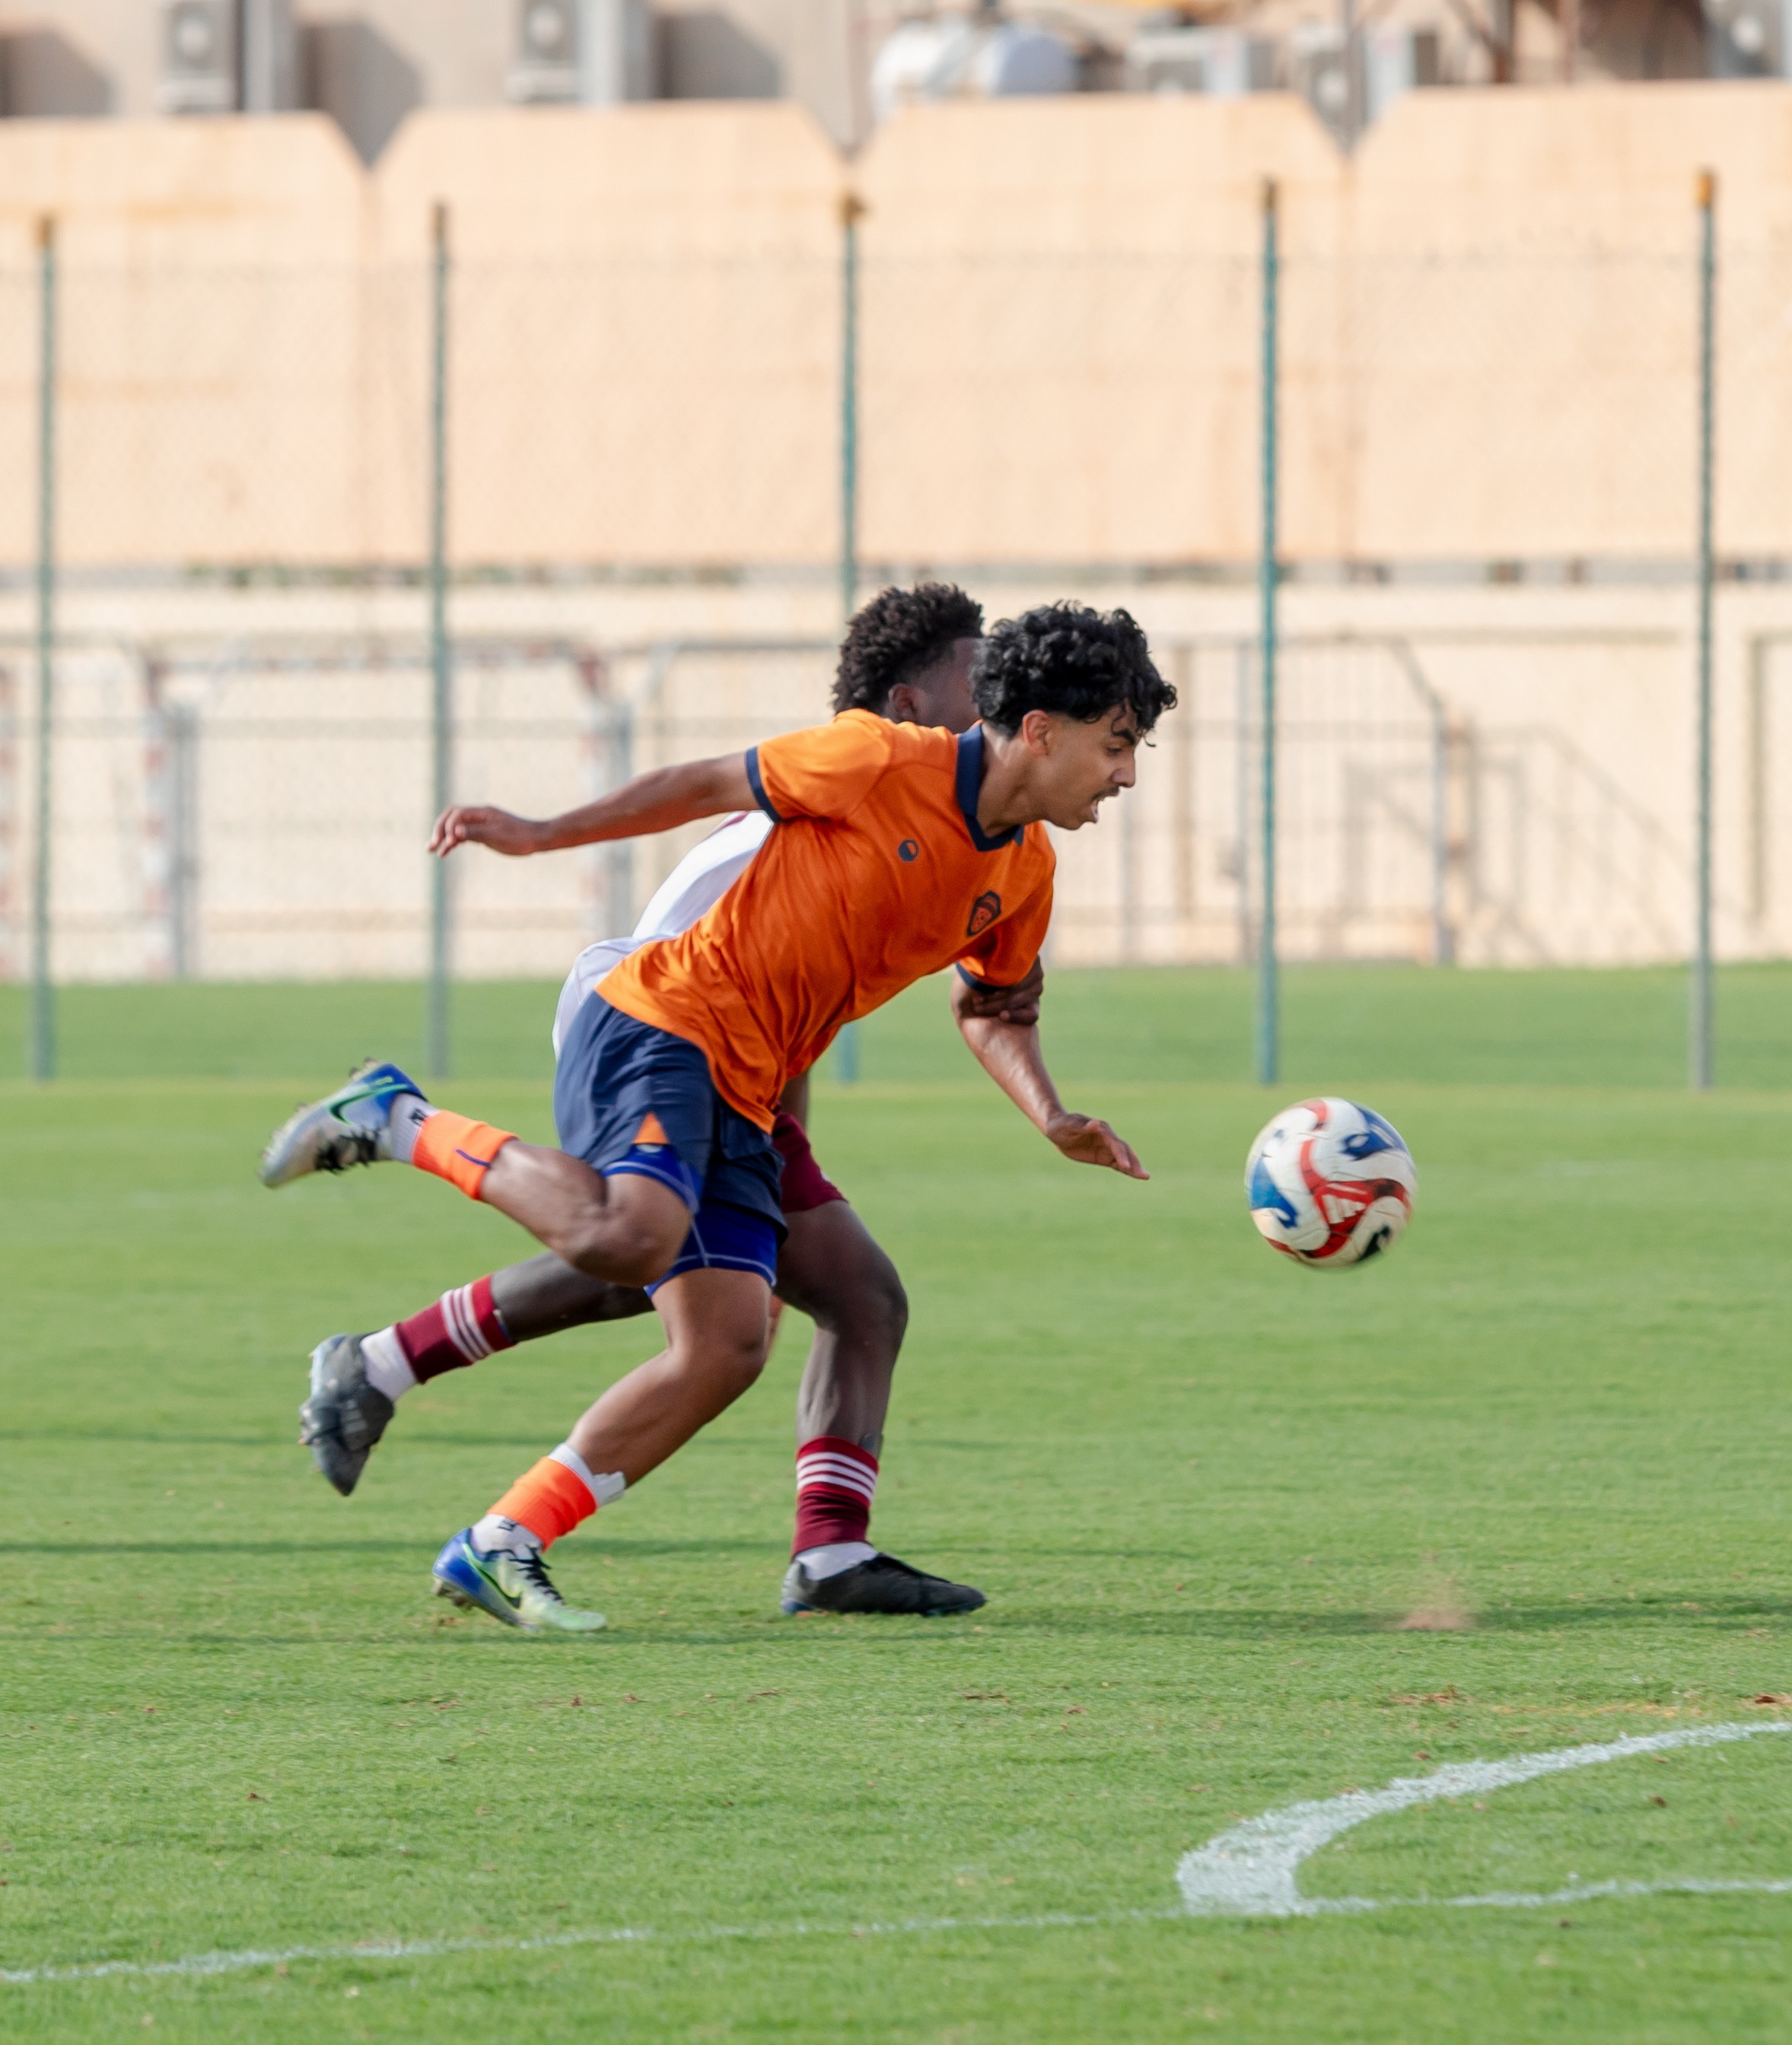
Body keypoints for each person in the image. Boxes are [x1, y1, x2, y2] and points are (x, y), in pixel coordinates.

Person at [258, 601, 1176, 1636]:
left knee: (767, 1328)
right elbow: (704, 782)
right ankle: (392, 1118)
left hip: (750, 1079)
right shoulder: (875, 759)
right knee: (628, 1237)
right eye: (1118, 744)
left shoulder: (1024, 872)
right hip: (662, 1020)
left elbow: (994, 1005)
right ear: (1044, 730)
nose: (1127, 776)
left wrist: (1050, 1113)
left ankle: (528, 1542)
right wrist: (541, 833)